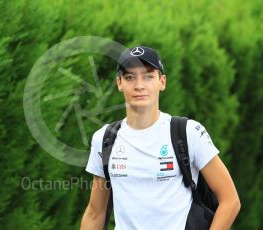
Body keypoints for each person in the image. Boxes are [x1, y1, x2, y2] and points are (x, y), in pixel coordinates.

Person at [80, 46, 240, 229]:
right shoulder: (105, 138)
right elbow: (95, 213)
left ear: (162, 82)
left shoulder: (188, 132)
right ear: (119, 83)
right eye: (130, 77)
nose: (139, 85)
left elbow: (230, 200)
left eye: (148, 76)